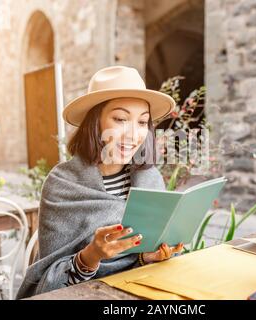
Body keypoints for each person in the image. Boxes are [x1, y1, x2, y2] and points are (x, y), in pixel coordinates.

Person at [17, 66, 184, 298]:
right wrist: (90, 256)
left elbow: (132, 260)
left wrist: (147, 258)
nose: (134, 135)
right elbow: (48, 284)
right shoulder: (62, 184)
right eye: (120, 119)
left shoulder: (149, 177)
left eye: (142, 122)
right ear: (95, 123)